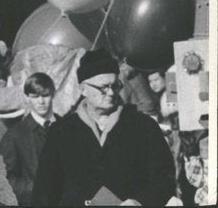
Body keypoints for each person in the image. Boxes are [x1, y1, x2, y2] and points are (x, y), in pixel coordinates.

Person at [32, 50, 176, 206]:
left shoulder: (143, 126)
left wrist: (139, 202)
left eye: (115, 86)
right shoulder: (61, 131)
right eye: (103, 87)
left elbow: (164, 179)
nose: (111, 93)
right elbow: (44, 192)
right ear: (82, 89)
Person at [0, 71, 57, 205]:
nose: (41, 101)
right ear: (27, 98)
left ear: (53, 94)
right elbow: (3, 179)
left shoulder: (69, 128)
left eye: (45, 95)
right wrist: (36, 188)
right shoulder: (14, 135)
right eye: (35, 96)